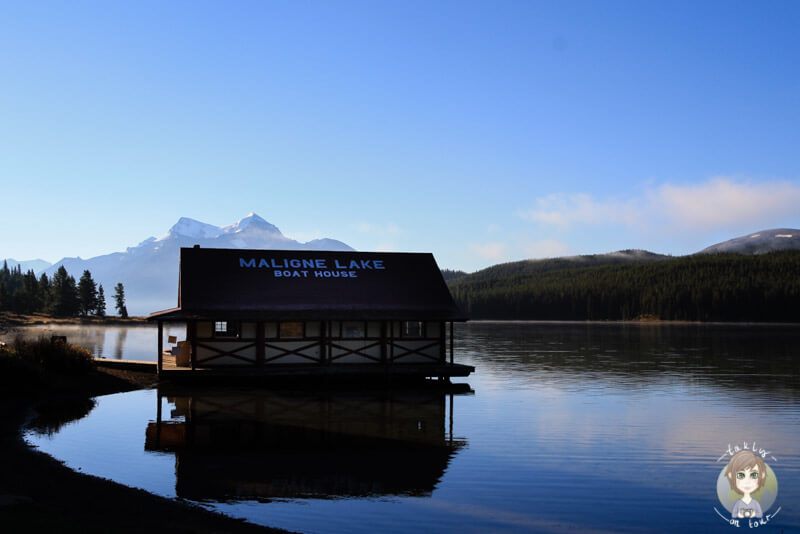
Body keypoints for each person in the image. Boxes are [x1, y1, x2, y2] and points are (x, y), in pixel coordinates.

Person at [724, 450, 767, 518]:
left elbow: (760, 515)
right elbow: (733, 515)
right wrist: (739, 515)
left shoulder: (755, 503)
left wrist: (753, 514)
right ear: (731, 476)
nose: (747, 481)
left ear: (762, 476)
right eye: (741, 475)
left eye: (754, 475)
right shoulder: (738, 503)